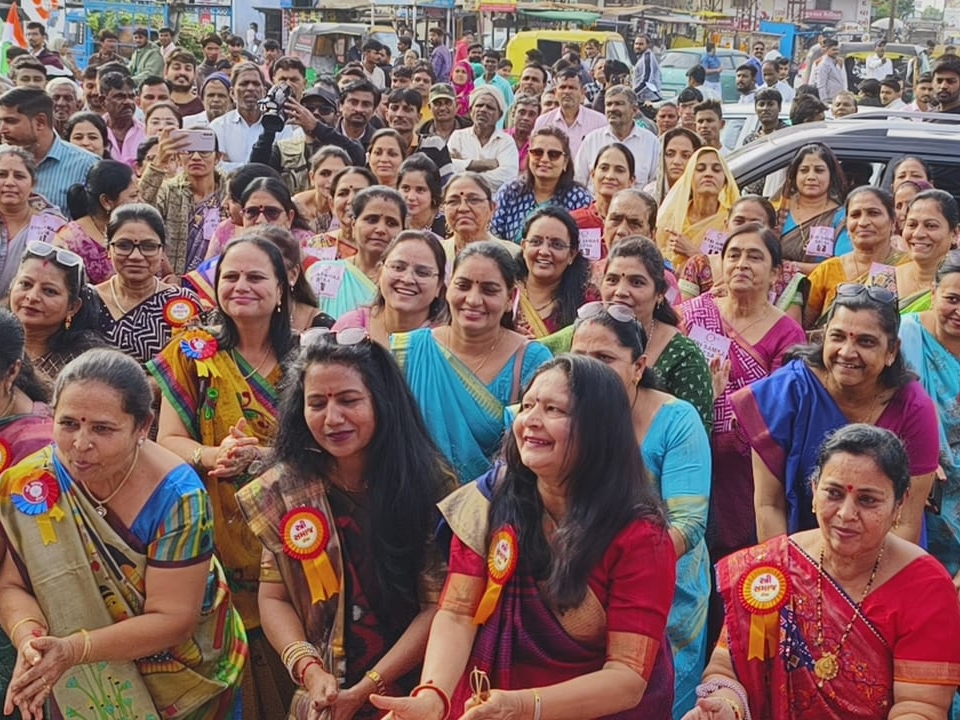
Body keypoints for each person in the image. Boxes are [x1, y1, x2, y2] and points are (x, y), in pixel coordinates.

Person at [373, 354, 677, 720]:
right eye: (527, 405)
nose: (530, 420)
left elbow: (627, 678)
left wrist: (522, 706)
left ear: (598, 428)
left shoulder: (640, 535)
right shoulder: (491, 500)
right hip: (485, 708)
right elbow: (457, 613)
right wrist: (432, 696)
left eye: (553, 409)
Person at [0, 349, 246, 720]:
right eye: (68, 424)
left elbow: (173, 619)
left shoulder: (177, 496)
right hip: (77, 682)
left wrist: (74, 650)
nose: (81, 443)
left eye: (102, 428)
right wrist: (32, 641)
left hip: (183, 685)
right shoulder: (30, 483)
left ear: (143, 426)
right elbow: (11, 585)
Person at [237, 331, 456, 719]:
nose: (332, 418)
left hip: (413, 689)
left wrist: (366, 688)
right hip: (325, 692)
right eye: (317, 403)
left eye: (349, 400)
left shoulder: (426, 484)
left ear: (382, 401)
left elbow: (437, 606)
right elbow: (274, 598)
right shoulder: (288, 487)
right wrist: (309, 669)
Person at [686, 424, 960, 720]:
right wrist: (727, 707)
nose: (846, 514)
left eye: (868, 500)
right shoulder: (771, 568)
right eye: (834, 493)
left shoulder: (923, 587)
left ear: (900, 503)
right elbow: (726, 670)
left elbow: (919, 707)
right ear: (815, 490)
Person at [148, 235, 298, 718]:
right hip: (212, 534)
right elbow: (167, 440)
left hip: (293, 532)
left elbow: (330, 448)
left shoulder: (309, 359)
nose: (241, 286)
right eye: (230, 277)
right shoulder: (193, 352)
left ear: (282, 288)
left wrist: (264, 456)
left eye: (256, 277)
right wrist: (215, 454)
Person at [571, 303, 711, 717]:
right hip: (574, 585)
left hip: (663, 586)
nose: (588, 369)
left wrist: (627, 572)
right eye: (579, 357)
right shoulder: (559, 412)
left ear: (638, 367)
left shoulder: (676, 419)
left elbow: (690, 522)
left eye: (605, 358)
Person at [732, 284, 939, 544]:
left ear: (892, 351)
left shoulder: (913, 408)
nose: (847, 352)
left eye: (866, 341)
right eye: (838, 337)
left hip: (887, 553)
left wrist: (869, 571)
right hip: (799, 547)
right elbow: (769, 505)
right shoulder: (786, 392)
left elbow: (906, 522)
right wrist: (789, 568)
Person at [680, 225, 806, 563]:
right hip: (690, 450)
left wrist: (735, 408)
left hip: (749, 468)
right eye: (733, 255)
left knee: (738, 562)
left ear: (775, 273)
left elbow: (782, 409)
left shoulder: (788, 333)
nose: (741, 264)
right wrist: (704, 397)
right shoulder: (693, 314)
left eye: (754, 257)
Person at [392, 242, 551, 482]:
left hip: (496, 500)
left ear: (510, 299)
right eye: (463, 286)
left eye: (489, 290)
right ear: (447, 289)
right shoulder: (408, 351)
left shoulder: (532, 361)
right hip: (413, 497)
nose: (473, 299)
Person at [900, 250, 960, 590]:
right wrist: (917, 459)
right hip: (913, 478)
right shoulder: (905, 336)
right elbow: (879, 405)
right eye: (952, 299)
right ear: (933, 292)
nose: (959, 311)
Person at [94, 204, 203, 364]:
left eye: (149, 246)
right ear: (108, 250)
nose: (136, 256)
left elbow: (197, 365)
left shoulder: (183, 302)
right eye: (123, 246)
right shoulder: (89, 301)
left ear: (163, 252)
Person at [805, 187, 908, 328]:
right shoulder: (828, 270)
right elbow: (800, 325)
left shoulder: (908, 266)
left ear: (893, 222)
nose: (863, 222)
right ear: (846, 225)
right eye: (855, 215)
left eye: (873, 213)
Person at [7, 240, 103, 384]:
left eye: (49, 291)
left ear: (73, 307)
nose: (32, 297)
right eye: (26, 284)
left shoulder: (88, 362)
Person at [333, 230, 447, 346]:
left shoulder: (445, 344)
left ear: (439, 284)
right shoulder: (350, 327)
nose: (407, 279)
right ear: (380, 271)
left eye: (422, 273)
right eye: (398, 267)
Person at [139, 128, 226, 277]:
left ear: (217, 158)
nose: (196, 157)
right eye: (188, 151)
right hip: (171, 281)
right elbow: (138, 210)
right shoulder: (167, 191)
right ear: (178, 158)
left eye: (204, 151)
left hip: (217, 279)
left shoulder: (229, 192)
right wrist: (159, 162)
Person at [309, 186, 407, 319]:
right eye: (372, 220)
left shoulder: (407, 282)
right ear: (353, 225)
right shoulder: (321, 273)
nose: (380, 229)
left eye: (391, 223)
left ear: (403, 232)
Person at [0, 88, 98, 213]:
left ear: (40, 122)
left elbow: (97, 221)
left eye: (11, 121)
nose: (2, 129)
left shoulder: (86, 166)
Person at [491, 127, 591, 243]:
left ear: (565, 162)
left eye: (553, 154)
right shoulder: (510, 191)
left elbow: (585, 243)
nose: (544, 159)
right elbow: (493, 235)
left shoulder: (579, 198)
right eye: (537, 153)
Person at [655, 146, 739, 273]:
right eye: (700, 169)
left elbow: (733, 269)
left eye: (716, 170)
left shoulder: (733, 222)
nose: (708, 174)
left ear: (725, 181)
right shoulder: (671, 219)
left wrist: (693, 252)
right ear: (689, 178)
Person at [513, 206, 591, 338]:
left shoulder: (587, 303)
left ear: (572, 254)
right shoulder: (505, 291)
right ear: (524, 247)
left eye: (556, 245)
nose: (544, 252)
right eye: (536, 242)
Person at [54, 160, 137, 284]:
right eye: (133, 196)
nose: (140, 202)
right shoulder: (71, 240)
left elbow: (163, 272)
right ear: (106, 201)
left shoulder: (138, 227)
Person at [0, 145, 63, 296]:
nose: (9, 183)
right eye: (2, 175)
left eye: (19, 176)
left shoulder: (52, 227)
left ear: (33, 184)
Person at [776, 143, 849, 273]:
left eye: (819, 170)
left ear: (831, 176)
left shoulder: (841, 217)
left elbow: (843, 265)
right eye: (804, 170)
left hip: (820, 285)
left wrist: (791, 267)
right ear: (795, 175)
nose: (811, 177)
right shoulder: (779, 209)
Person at [575, 85, 660, 189]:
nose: (612, 109)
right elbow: (579, 180)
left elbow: (655, 184)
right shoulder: (592, 140)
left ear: (634, 110)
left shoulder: (651, 142)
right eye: (609, 104)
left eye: (619, 104)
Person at [895, 189, 959, 313]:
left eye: (931, 225)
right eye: (912, 225)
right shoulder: (883, 278)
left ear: (954, 234)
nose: (918, 234)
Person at [448, 86, 518, 192]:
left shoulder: (506, 142)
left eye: (490, 107)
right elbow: (447, 168)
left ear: (499, 115)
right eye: (479, 105)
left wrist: (464, 169)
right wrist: (482, 164)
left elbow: (508, 177)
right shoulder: (458, 137)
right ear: (471, 111)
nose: (483, 110)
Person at [570, 142, 637, 251]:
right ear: (592, 175)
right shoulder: (574, 221)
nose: (610, 176)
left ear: (631, 180)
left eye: (619, 170)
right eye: (604, 168)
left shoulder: (636, 225)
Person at [440, 172, 518, 266]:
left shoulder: (514, 255)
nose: (463, 208)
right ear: (443, 208)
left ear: (492, 208)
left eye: (474, 200)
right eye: (453, 201)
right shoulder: (434, 253)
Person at [533, 68, 606, 160]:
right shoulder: (543, 121)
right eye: (562, 87)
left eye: (572, 88)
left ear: (582, 92)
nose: (567, 92)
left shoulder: (599, 122)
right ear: (556, 92)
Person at [310, 166, 377, 261]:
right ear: (332, 204)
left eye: (360, 193)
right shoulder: (317, 245)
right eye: (343, 194)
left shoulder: (386, 246)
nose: (351, 200)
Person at [292, 146, 350, 235]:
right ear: (312, 177)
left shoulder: (351, 207)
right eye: (325, 174)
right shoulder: (294, 207)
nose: (332, 180)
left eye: (339, 175)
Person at [99, 72, 145, 169]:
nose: (128, 102)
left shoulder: (146, 133)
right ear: (103, 101)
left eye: (131, 97)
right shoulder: (95, 132)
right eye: (119, 97)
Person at [646, 126, 702, 204]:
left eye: (685, 156)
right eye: (670, 154)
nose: (676, 161)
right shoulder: (650, 195)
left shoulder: (703, 194)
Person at [397, 154, 445, 236]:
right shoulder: (392, 222)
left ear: (433, 193)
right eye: (405, 188)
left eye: (420, 190)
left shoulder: (446, 226)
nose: (411, 197)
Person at [165, 50, 206, 118]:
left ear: (195, 74)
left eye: (188, 69)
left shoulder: (203, 108)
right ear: (166, 72)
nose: (182, 72)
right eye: (177, 68)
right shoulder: (157, 102)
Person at [633, 33, 663, 103]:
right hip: (643, 98)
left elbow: (646, 80)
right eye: (636, 44)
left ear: (648, 45)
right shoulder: (642, 57)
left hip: (650, 100)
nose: (637, 46)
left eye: (641, 44)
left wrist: (632, 93)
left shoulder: (647, 58)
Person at [815, 38, 846, 104]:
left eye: (837, 50)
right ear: (827, 50)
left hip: (838, 98)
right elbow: (821, 85)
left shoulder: (837, 63)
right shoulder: (824, 64)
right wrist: (824, 101)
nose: (836, 52)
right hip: (829, 100)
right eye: (833, 50)